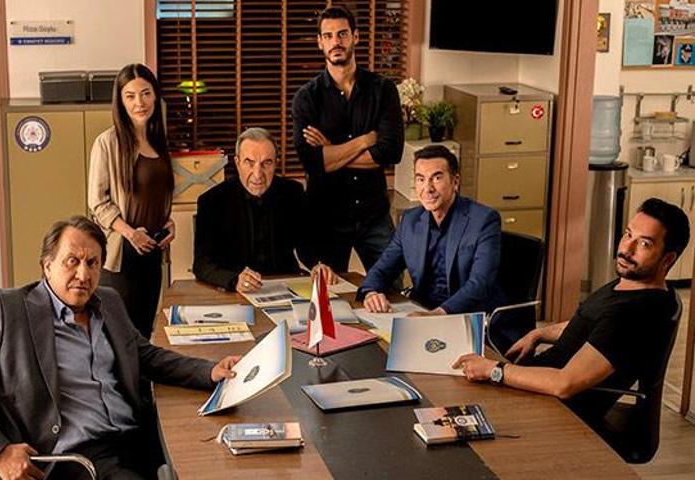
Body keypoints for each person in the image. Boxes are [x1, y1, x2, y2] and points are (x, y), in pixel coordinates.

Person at [0, 216, 240, 480]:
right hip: (77, 463)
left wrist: (209, 371)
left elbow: (145, 356)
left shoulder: (108, 301)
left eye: (93, 263)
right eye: (72, 261)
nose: (83, 274)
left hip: (134, 442)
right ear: (47, 265)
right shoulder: (7, 310)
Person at [454, 198, 689, 430]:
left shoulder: (635, 313)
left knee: (455, 403)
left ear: (668, 259)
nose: (627, 249)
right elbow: (590, 325)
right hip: (540, 385)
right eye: (628, 235)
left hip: (557, 409)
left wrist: (494, 370)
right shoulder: (633, 285)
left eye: (644, 244)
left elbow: (565, 384)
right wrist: (539, 334)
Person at [292, 5, 404, 273]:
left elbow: (391, 153)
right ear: (320, 42)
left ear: (356, 36)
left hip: (374, 214)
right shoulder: (306, 98)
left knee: (392, 287)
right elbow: (313, 163)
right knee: (328, 292)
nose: (336, 42)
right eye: (328, 36)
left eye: (342, 34)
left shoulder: (383, 90)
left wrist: (331, 152)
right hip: (326, 217)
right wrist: (365, 141)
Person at [358, 145, 505, 316]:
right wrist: (371, 293)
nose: (428, 189)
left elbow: (480, 283)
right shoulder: (410, 221)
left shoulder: (483, 220)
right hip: (421, 311)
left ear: (455, 181)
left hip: (466, 316)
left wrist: (438, 314)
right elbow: (382, 269)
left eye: (436, 178)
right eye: (421, 179)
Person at [88, 63, 175, 338]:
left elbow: (157, 192)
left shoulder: (158, 141)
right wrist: (130, 233)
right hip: (122, 253)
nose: (140, 102)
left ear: (155, 96)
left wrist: (168, 221)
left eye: (146, 93)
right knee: (119, 335)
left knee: (145, 332)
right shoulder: (107, 143)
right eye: (131, 96)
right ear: (121, 101)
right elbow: (97, 202)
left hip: (152, 250)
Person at [193, 127, 337, 293]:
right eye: (249, 162)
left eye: (266, 163)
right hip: (234, 290)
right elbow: (201, 265)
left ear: (276, 163)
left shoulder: (293, 192)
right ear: (237, 163)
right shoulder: (212, 200)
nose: (258, 174)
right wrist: (234, 280)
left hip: (284, 286)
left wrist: (318, 265)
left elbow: (307, 245)